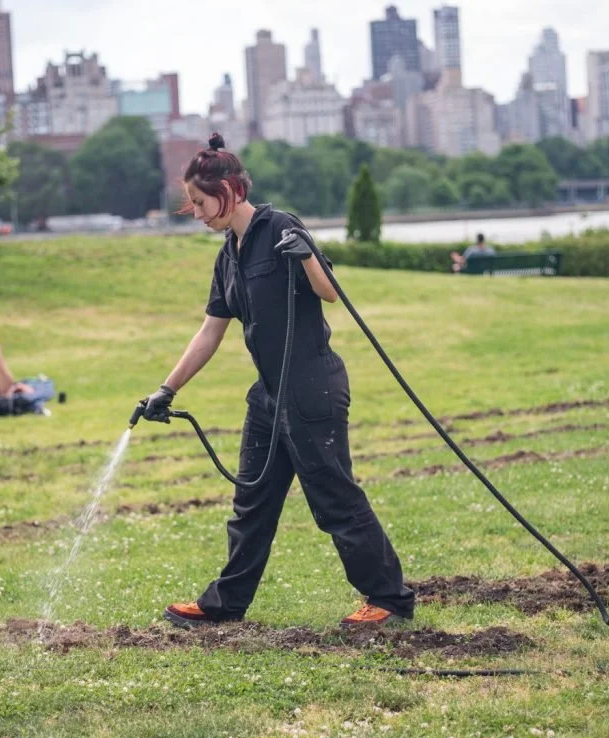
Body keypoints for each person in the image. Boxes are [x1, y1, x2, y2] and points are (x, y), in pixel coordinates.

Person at [139, 133, 415, 629]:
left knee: (335, 501)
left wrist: (305, 254)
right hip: (268, 396)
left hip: (312, 389)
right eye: (192, 204)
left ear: (230, 191)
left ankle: (390, 599)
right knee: (252, 504)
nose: (197, 213)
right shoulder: (228, 254)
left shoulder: (280, 226)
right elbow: (210, 331)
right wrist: (167, 388)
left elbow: (330, 293)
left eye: (200, 202)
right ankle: (225, 606)